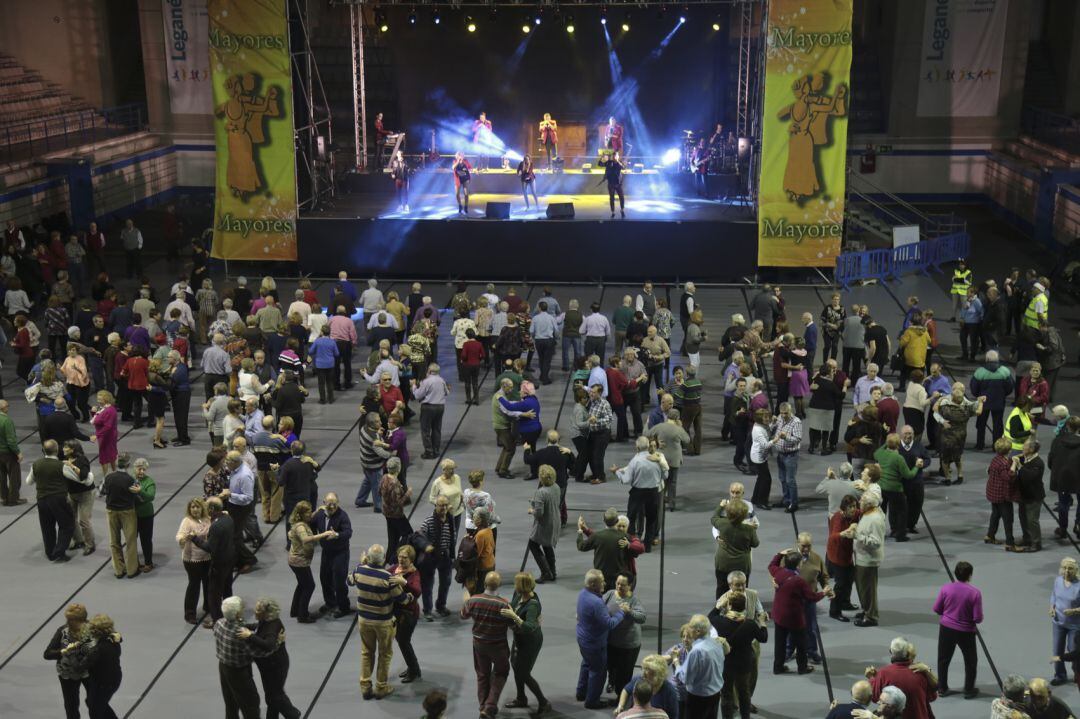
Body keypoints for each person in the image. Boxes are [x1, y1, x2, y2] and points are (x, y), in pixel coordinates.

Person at [349, 544, 406, 700]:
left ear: (368, 557)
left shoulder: (359, 570)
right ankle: (381, 686)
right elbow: (402, 599)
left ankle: (365, 686)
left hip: (364, 620)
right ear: (383, 559)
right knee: (385, 654)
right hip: (383, 622)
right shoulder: (388, 577)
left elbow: (349, 581)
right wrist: (404, 585)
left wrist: (361, 564)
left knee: (367, 652)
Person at [461, 570, 515, 719]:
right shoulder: (504, 604)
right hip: (498, 646)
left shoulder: (474, 600)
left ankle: (482, 707)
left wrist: (466, 601)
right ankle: (490, 706)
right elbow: (513, 625)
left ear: (484, 584)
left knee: (482, 675)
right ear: (499, 585)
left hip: (479, 644)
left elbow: (463, 615)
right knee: (501, 672)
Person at [768, 549, 830, 675]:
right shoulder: (799, 581)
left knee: (779, 643)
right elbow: (811, 597)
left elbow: (771, 565)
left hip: (779, 615)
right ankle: (802, 667)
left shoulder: (779, 572)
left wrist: (780, 554)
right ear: (798, 565)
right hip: (794, 618)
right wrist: (824, 593)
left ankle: (778, 667)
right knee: (801, 644)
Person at [577, 569, 627, 709]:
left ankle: (581, 692)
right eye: (602, 581)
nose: (605, 583)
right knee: (598, 671)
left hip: (583, 638)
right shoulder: (596, 603)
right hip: (595, 643)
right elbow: (609, 623)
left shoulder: (582, 594)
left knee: (586, 664)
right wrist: (621, 612)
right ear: (593, 584)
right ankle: (592, 701)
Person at [932, 560, 982, 699]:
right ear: (970, 575)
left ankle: (942, 688)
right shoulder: (975, 593)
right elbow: (977, 618)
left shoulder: (946, 588)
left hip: (946, 629)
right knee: (970, 660)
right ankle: (968, 689)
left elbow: (937, 609)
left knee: (943, 659)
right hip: (966, 632)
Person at [501, 571, 550, 712]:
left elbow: (529, 627)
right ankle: (521, 698)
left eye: (516, 583)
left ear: (522, 586)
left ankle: (543, 702)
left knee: (523, 673)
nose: (514, 585)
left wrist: (514, 616)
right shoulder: (518, 595)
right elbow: (512, 606)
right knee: (516, 667)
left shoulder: (533, 604)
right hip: (519, 638)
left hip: (530, 642)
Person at [213, 596, 261, 719]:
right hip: (238, 672)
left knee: (231, 704)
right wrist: (275, 643)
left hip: (223, 668)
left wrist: (253, 626)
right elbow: (257, 653)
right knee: (250, 704)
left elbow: (236, 626)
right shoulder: (240, 634)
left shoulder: (219, 623)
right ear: (237, 613)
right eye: (241, 608)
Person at [866, 638, 938, 719]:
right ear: (908, 652)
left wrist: (872, 679)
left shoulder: (883, 674)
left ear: (890, 651)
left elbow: (875, 698)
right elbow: (932, 697)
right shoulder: (921, 672)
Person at [674, 613, 728, 719]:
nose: (689, 629)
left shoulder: (697, 651)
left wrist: (676, 663)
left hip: (698, 698)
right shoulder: (717, 644)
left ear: (697, 631)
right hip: (715, 694)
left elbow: (686, 678)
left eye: (691, 627)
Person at [843, 492, 885, 627]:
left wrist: (857, 536)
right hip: (862, 557)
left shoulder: (875, 520)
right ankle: (867, 610)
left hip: (868, 560)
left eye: (861, 501)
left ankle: (871, 617)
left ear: (868, 505)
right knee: (863, 588)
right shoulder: (868, 514)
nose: (858, 503)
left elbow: (876, 542)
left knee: (868, 589)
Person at [45, 603, 92, 719]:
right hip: (68, 673)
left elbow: (109, 639)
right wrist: (63, 651)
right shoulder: (62, 631)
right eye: (68, 619)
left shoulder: (93, 629)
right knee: (71, 705)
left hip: (89, 671)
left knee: (94, 702)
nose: (69, 622)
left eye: (72, 619)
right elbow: (47, 654)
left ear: (82, 619)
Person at [932, 383, 985, 485]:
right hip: (960, 437)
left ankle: (947, 478)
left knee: (944, 458)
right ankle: (960, 476)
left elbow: (935, 410)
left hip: (946, 437)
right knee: (958, 457)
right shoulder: (966, 408)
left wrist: (939, 400)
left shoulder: (945, 407)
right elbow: (978, 411)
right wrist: (980, 402)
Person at [605, 574, 647, 700]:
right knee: (611, 666)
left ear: (629, 586)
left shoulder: (634, 601)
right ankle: (611, 682)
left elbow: (642, 618)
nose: (619, 586)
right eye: (617, 583)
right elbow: (600, 605)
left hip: (629, 645)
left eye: (622, 585)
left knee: (625, 672)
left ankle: (621, 696)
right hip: (612, 641)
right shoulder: (610, 594)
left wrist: (630, 611)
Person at [311, 492, 353, 618]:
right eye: (329, 504)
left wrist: (337, 535)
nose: (332, 507)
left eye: (335, 504)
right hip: (327, 552)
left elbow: (348, 532)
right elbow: (310, 523)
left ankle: (343, 607)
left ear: (338, 503)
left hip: (340, 553)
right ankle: (330, 602)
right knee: (325, 578)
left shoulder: (343, 516)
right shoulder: (319, 515)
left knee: (339, 581)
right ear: (324, 503)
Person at [418, 495, 456, 620]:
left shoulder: (450, 520)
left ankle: (441, 606)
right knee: (428, 585)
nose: (444, 507)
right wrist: (427, 546)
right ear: (436, 506)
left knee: (446, 583)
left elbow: (452, 538)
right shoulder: (428, 521)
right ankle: (427, 610)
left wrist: (452, 555)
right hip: (431, 557)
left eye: (446, 505)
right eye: (441, 505)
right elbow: (419, 536)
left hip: (445, 556)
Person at [577, 507, 631, 590]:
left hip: (601, 578)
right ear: (617, 522)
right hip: (617, 578)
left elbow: (581, 546)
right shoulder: (625, 537)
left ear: (604, 521)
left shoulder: (597, 536)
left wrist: (580, 531)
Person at [84, 614, 123, 719]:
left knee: (95, 709)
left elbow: (84, 665)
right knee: (95, 703)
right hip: (113, 679)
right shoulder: (113, 641)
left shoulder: (100, 649)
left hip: (103, 683)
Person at [1050, 416, 1080, 540]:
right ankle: (1078, 525)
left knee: (1063, 504)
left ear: (1067, 426)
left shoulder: (1057, 441)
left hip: (1062, 477)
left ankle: (1062, 528)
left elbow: (1051, 459)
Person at [413, 363, 450, 459]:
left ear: (429, 370)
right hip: (440, 407)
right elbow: (447, 392)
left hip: (428, 407)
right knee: (437, 429)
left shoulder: (426, 381)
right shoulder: (442, 380)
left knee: (425, 430)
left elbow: (417, 395)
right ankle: (436, 450)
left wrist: (413, 387)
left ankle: (429, 451)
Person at [1015, 438, 1046, 551]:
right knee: (1023, 518)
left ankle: (1036, 543)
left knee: (1032, 520)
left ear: (1031, 449)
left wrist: (1019, 465)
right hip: (1023, 495)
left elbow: (1029, 477)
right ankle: (1027, 538)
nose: (1023, 447)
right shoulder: (1024, 458)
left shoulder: (1038, 463)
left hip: (1034, 497)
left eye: (1025, 446)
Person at [598, 152, 627, 219]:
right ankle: (613, 212)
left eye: (616, 156)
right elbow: (600, 164)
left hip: (618, 184)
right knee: (611, 198)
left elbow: (623, 168)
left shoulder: (620, 163)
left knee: (621, 197)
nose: (614, 157)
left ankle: (622, 210)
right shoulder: (609, 162)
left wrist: (619, 162)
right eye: (613, 156)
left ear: (618, 156)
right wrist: (601, 158)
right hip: (611, 183)